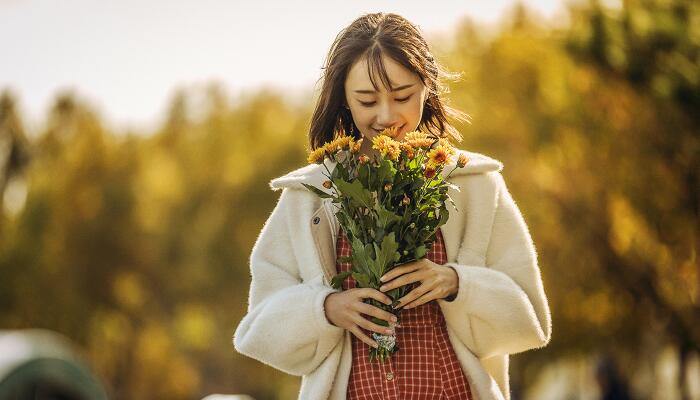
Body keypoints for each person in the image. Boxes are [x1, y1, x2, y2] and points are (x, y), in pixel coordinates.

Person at [233, 12, 551, 400]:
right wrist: (326, 308)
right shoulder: (309, 195)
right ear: (344, 101)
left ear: (427, 88)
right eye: (366, 100)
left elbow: (529, 321)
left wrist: (456, 283)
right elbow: (258, 330)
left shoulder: (477, 185)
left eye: (402, 97)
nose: (386, 117)